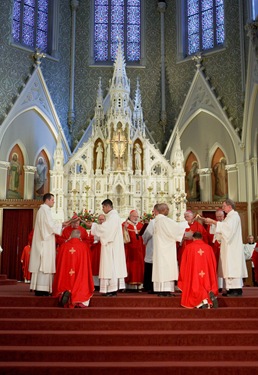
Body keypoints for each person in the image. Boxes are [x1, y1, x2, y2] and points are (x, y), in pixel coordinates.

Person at [29, 193, 71, 296]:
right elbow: (49, 225)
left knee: (44, 264)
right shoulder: (45, 210)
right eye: (52, 200)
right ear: (47, 200)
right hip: (45, 242)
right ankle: (41, 289)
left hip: (45, 240)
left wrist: (61, 224)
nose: (54, 201)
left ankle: (41, 289)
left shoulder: (43, 210)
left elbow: (49, 224)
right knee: (44, 264)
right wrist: (61, 224)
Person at [205, 199, 247, 297]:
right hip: (228, 246)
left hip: (233, 247)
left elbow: (228, 229)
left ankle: (236, 290)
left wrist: (214, 222)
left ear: (229, 206)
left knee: (233, 267)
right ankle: (230, 289)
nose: (223, 208)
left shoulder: (234, 216)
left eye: (224, 206)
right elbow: (224, 229)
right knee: (228, 267)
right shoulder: (229, 217)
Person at [88, 199, 127, 296]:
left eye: (103, 207)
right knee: (109, 266)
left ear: (107, 206)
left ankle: (112, 289)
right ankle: (108, 289)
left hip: (111, 247)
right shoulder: (111, 216)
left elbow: (106, 230)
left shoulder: (113, 216)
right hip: (110, 245)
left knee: (111, 266)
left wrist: (94, 226)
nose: (103, 209)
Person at [152, 203, 188, 297]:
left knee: (161, 269)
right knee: (166, 268)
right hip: (166, 250)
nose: (168, 211)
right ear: (164, 210)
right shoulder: (164, 220)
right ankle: (165, 290)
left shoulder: (157, 221)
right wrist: (187, 222)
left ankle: (161, 290)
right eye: (167, 209)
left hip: (161, 249)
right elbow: (176, 228)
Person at [52, 229, 94, 308]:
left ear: (70, 235)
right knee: (82, 287)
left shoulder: (63, 246)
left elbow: (58, 262)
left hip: (66, 277)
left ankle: (64, 294)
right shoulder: (84, 247)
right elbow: (88, 262)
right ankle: (78, 300)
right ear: (79, 236)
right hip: (79, 275)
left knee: (64, 284)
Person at [178, 232, 218, 309]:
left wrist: (183, 275)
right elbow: (213, 263)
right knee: (206, 286)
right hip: (206, 274)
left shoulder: (189, 247)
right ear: (201, 238)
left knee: (194, 288)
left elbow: (183, 263)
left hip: (194, 274)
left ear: (193, 238)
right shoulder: (209, 248)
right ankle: (208, 299)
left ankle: (204, 301)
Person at [122, 210, 145, 291]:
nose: (136, 218)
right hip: (129, 249)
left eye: (137, 216)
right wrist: (124, 228)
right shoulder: (125, 224)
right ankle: (128, 285)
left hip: (139, 250)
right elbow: (123, 237)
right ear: (130, 216)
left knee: (139, 266)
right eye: (134, 216)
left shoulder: (140, 225)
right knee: (129, 266)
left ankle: (138, 285)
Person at [207, 209, 225, 291]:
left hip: (224, 246)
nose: (219, 218)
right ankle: (218, 286)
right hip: (215, 247)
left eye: (220, 216)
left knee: (224, 266)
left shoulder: (227, 223)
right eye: (217, 216)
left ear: (224, 216)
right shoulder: (212, 224)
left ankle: (225, 286)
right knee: (216, 265)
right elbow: (209, 236)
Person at [90, 214, 106, 290]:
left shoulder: (107, 227)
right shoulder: (95, 227)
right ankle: (96, 284)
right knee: (95, 265)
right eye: (99, 219)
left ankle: (104, 284)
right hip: (96, 248)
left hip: (104, 248)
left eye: (102, 219)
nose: (101, 221)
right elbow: (91, 237)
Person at [142, 217, 155, 294]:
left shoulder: (153, 222)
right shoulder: (169, 221)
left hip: (152, 246)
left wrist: (144, 240)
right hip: (163, 250)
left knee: (150, 265)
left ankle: (149, 286)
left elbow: (148, 233)